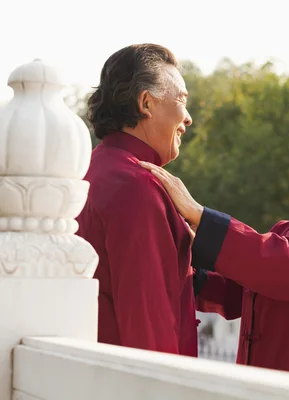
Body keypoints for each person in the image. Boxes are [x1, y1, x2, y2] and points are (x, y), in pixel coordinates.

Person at [140, 111, 289, 380]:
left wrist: (200, 215)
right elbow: (238, 294)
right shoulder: (285, 230)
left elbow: (286, 266)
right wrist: (179, 262)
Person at [76, 43, 197, 356]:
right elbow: (148, 325)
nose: (188, 118)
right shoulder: (138, 185)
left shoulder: (85, 171)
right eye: (182, 100)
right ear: (146, 103)